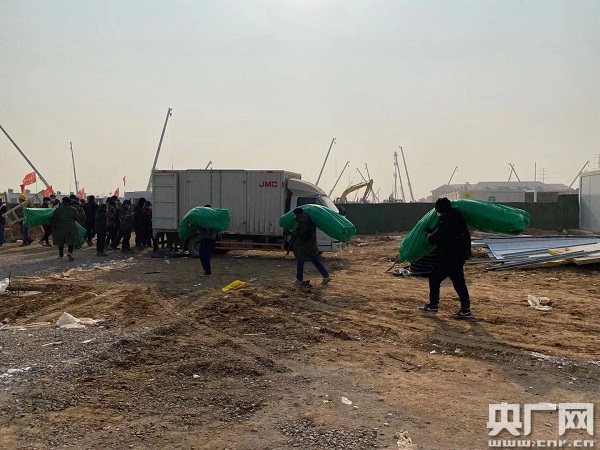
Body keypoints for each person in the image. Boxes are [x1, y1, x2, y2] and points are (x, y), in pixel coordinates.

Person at [420, 197, 472, 318]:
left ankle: (434, 305)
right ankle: (465, 309)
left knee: (435, 279)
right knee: (459, 282)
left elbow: (433, 239)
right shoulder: (458, 218)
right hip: (459, 256)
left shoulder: (446, 222)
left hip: (449, 257)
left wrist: (428, 234)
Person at [292, 207, 331, 286]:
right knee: (315, 261)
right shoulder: (310, 219)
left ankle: (299, 280)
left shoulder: (301, 221)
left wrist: (296, 232)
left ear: (297, 214)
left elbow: (302, 234)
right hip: (312, 244)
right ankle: (326, 276)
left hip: (304, 246)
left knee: (300, 262)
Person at [51, 197, 79, 261]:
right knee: (71, 241)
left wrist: (53, 226)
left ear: (63, 202)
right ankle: (70, 252)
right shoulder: (73, 209)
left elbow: (54, 219)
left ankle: (61, 255)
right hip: (70, 227)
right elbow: (77, 218)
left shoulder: (58, 209)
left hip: (59, 228)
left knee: (60, 242)